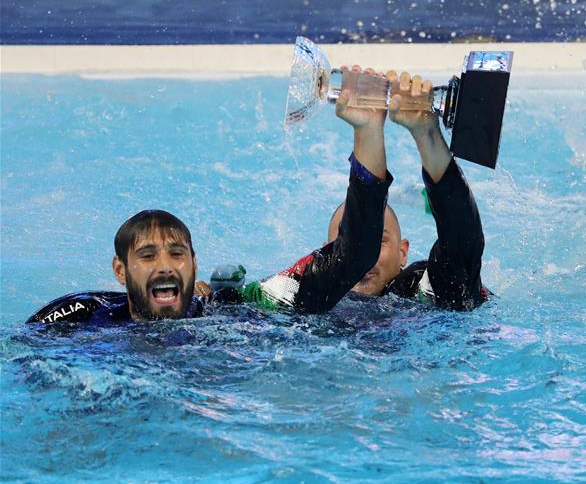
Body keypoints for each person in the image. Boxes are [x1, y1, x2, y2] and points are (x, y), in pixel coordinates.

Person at [27, 67, 393, 324]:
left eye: (176, 254)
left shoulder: (236, 309)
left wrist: (368, 129)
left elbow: (354, 254)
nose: (166, 266)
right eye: (148, 255)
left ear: (194, 264)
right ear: (120, 271)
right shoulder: (81, 316)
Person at [326, 70, 488, 311]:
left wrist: (427, 134)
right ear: (326, 254)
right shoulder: (313, 296)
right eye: (344, 241)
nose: (363, 256)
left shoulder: (417, 290)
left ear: (403, 253)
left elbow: (461, 242)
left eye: (380, 241)